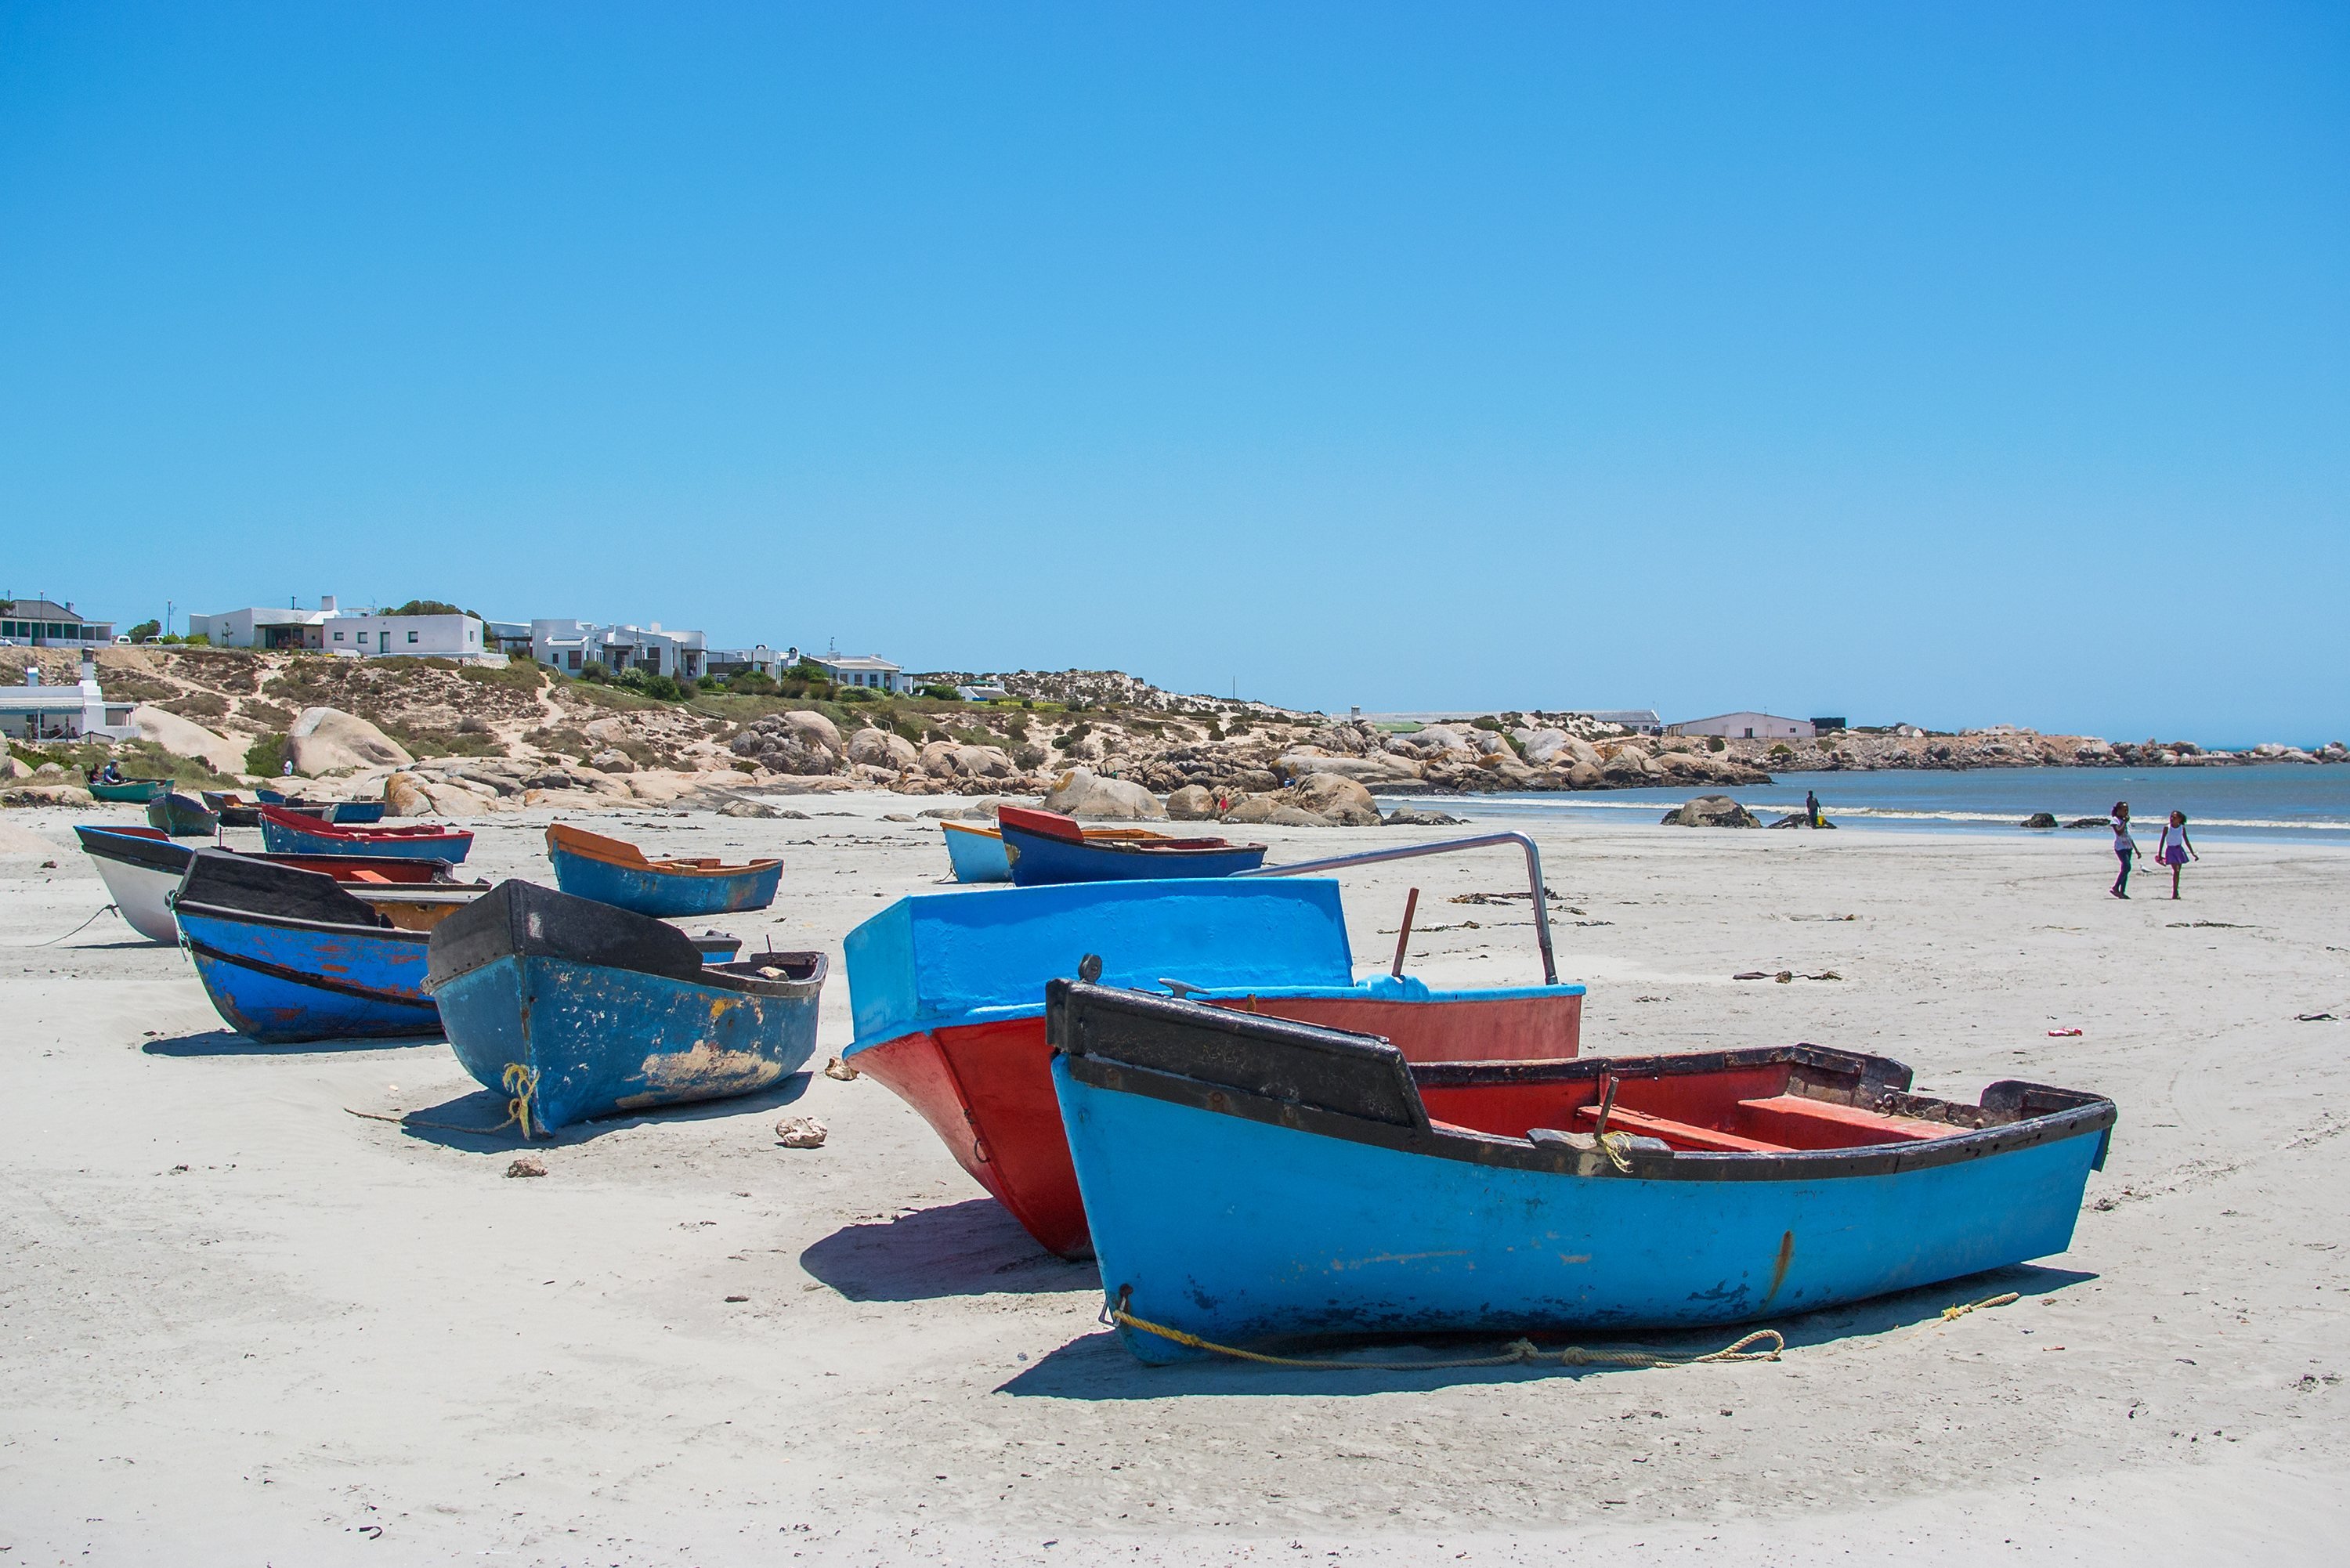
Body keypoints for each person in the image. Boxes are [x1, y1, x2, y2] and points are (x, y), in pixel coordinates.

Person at [2157, 811, 2197, 899]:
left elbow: (2187, 841)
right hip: (2170, 850)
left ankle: (2176, 890)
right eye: (2171, 817)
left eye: (2174, 817)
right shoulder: (2167, 828)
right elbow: (2162, 841)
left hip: (2179, 850)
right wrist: (2159, 854)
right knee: (2177, 870)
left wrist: (2193, 853)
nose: (2172, 819)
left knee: (2177, 873)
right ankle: (2175, 892)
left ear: (2179, 819)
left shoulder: (2182, 828)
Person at [2109, 801, 2140, 898]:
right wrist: (2124, 822)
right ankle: (2116, 887)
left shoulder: (2126, 821)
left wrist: (2136, 849)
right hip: (2120, 847)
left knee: (2125, 870)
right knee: (2127, 866)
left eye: (2127, 810)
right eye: (2124, 810)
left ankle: (2122, 891)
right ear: (2118, 810)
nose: (2126, 812)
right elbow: (2119, 832)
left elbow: (2129, 836)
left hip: (2128, 847)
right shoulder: (2115, 820)